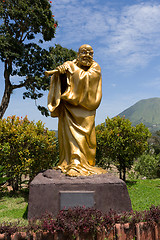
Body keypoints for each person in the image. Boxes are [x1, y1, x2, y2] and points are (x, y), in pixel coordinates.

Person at [47, 44, 106, 176]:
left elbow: (89, 79)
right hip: (69, 109)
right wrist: (61, 75)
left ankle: (83, 163)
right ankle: (73, 163)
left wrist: (71, 69)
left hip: (86, 111)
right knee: (70, 138)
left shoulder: (95, 67)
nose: (87, 56)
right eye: (84, 52)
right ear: (78, 54)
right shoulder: (70, 64)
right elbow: (63, 84)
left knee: (86, 139)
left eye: (90, 53)